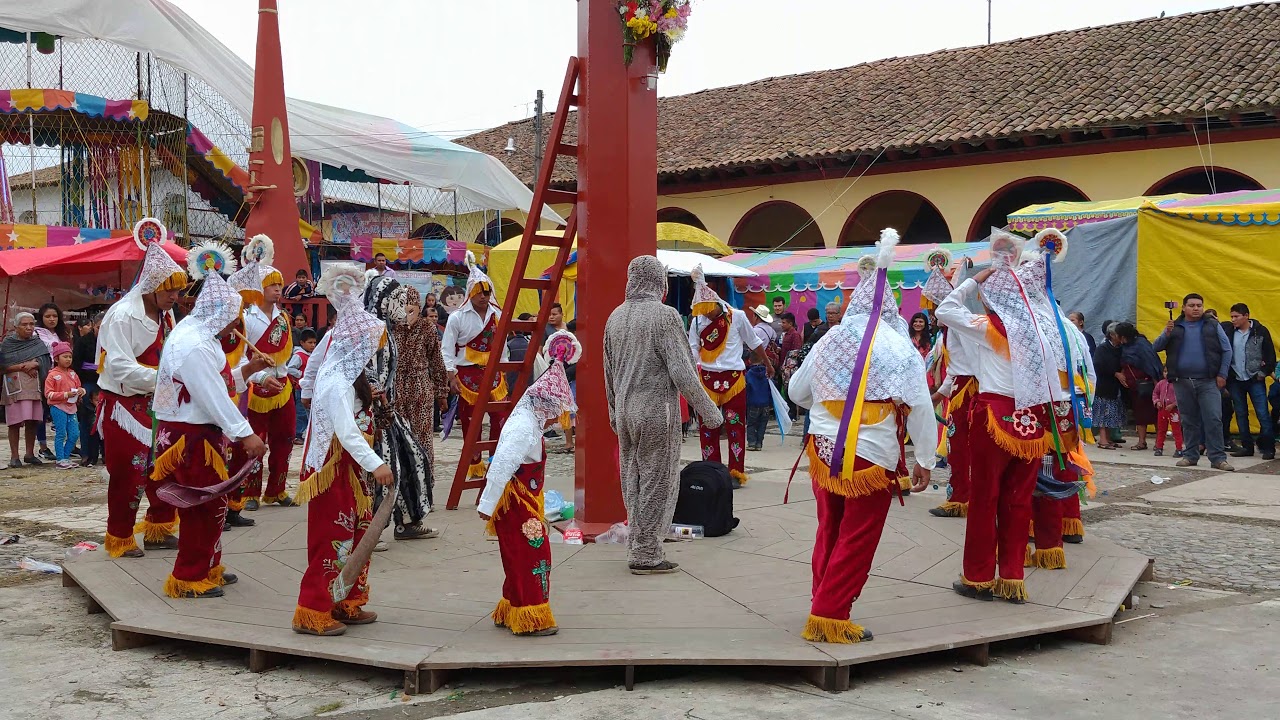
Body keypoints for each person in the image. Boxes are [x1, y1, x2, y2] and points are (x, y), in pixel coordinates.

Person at [788, 229, 935, 643]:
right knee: (858, 534)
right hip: (872, 452)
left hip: (823, 446)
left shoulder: (830, 338)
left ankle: (821, 600)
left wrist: (826, 399)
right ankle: (830, 613)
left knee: (829, 527)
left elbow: (797, 391)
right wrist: (925, 458)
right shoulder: (901, 347)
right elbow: (920, 406)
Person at [936, 232, 1074, 604]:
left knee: (985, 498)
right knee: (1018, 500)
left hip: (993, 417)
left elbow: (944, 310)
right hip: (1033, 421)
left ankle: (978, 577)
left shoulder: (988, 327)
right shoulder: (1044, 332)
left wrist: (974, 279)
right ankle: (1013, 578)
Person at [150, 272, 267, 598]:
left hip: (198, 433)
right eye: (233, 317)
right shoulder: (194, 344)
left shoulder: (201, 334)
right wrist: (245, 434)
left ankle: (208, 566)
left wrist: (248, 370)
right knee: (201, 507)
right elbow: (213, 396)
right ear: (218, 313)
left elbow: (218, 383)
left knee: (213, 504)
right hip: (191, 437)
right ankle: (189, 577)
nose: (236, 325)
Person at [605, 256, 722, 575]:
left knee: (632, 479)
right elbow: (683, 371)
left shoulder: (615, 317)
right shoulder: (665, 316)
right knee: (658, 481)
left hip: (626, 411)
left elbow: (609, 373)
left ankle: (638, 543)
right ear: (660, 281)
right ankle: (646, 552)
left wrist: (614, 412)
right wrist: (710, 412)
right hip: (656, 411)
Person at [291, 299, 393, 636]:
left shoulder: (351, 376)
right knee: (331, 538)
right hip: (332, 469)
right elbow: (346, 431)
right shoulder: (335, 381)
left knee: (358, 534)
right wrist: (376, 464)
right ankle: (312, 609)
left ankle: (346, 601)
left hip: (352, 468)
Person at [478, 331, 580, 637]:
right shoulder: (523, 427)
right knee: (534, 555)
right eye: (556, 414)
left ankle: (512, 605)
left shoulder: (528, 420)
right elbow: (501, 465)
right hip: (517, 503)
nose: (556, 420)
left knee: (516, 554)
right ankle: (530, 615)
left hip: (522, 500)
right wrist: (487, 504)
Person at [97, 242, 188, 558]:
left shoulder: (167, 314)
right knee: (129, 474)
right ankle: (120, 537)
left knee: (166, 467)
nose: (174, 296)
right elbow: (118, 367)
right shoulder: (122, 316)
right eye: (169, 290)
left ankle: (159, 530)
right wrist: (166, 378)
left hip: (161, 404)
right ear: (150, 286)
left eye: (177, 290)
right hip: (126, 406)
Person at [365, 273, 437, 540]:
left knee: (412, 458)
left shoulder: (386, 329)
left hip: (389, 411)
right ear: (384, 301)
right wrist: (373, 393)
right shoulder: (368, 331)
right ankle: (368, 532)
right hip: (370, 415)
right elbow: (362, 369)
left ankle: (407, 522)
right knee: (381, 471)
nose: (402, 306)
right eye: (397, 300)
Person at [228, 236, 297, 509]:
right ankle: (250, 492)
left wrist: (283, 374)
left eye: (279, 284)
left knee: (286, 438)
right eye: (271, 284)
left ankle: (277, 489)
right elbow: (241, 358)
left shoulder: (284, 318)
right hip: (256, 387)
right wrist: (260, 376)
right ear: (259, 288)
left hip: (282, 385)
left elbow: (286, 355)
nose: (277, 289)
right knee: (255, 440)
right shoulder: (246, 318)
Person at [687, 265, 772, 487]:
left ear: (717, 304)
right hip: (706, 379)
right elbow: (693, 347)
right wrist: (691, 370)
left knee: (736, 426)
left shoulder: (738, 317)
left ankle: (735, 473)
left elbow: (754, 342)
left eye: (709, 310)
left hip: (734, 379)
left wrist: (768, 363)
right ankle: (712, 472)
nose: (706, 314)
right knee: (708, 428)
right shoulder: (697, 321)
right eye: (702, 311)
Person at [443, 253, 511, 480]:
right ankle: (475, 465)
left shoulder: (498, 314)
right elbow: (447, 349)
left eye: (487, 292)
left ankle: (496, 463)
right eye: (479, 292)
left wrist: (504, 369)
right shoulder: (457, 318)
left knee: (500, 418)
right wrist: (451, 376)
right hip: (467, 374)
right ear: (470, 292)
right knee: (471, 423)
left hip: (494, 374)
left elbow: (502, 346)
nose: (483, 296)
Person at [1153, 293, 1235, 471]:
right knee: (1188, 420)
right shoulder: (1175, 326)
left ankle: (1218, 458)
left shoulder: (1212, 325)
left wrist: (1222, 374)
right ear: (1183, 308)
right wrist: (1167, 333)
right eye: (1192, 305)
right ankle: (1190, 455)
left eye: (1199, 305)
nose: (1196, 308)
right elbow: (1156, 347)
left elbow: (1227, 350)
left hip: (1208, 381)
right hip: (1181, 381)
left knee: (1213, 419)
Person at [921, 261, 977, 518]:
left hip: (968, 390)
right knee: (959, 445)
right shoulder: (950, 329)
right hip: (961, 388)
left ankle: (961, 499)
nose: (931, 313)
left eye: (933, 306)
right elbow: (956, 367)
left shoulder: (958, 326)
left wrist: (942, 393)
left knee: (962, 446)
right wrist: (939, 395)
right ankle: (961, 497)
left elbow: (966, 366)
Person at [392, 287, 450, 465]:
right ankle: (402, 477)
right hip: (395, 388)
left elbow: (436, 361)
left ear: (419, 306)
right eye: (403, 305)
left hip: (420, 388)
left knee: (422, 437)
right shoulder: (390, 328)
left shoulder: (427, 328)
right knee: (397, 436)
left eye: (412, 306)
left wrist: (441, 392)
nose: (408, 310)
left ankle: (424, 476)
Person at [1223, 303, 1276, 460]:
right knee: (1240, 413)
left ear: (1246, 316)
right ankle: (1247, 446)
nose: (1233, 319)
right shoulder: (1229, 332)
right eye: (1231, 316)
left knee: (1262, 413)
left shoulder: (1260, 331)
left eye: (1236, 316)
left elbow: (1270, 355)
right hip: (1235, 379)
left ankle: (1268, 447)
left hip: (1254, 379)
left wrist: (1262, 373)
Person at [3, 312, 51, 467]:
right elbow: (3, 365)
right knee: (14, 422)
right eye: (24, 324)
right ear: (16, 327)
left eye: (31, 324)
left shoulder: (37, 343)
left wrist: (35, 364)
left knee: (33, 420)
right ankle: (14, 456)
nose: (29, 327)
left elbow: (46, 360)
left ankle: (29, 454)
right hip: (14, 386)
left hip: (34, 386)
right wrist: (23, 366)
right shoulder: (7, 344)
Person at [1115, 322, 1163, 451]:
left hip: (1147, 385)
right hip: (1134, 387)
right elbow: (1125, 364)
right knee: (1139, 415)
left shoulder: (1142, 345)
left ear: (1123, 336)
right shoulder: (1125, 347)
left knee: (1155, 414)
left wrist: (1158, 386)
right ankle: (1142, 442)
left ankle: (1159, 443)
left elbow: (1152, 364)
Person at [35, 303, 70, 460]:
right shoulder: (36, 333)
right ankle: (43, 447)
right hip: (44, 375)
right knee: (42, 412)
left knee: (66, 409)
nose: (51, 319)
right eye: (47, 316)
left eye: (54, 316)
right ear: (41, 318)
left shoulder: (62, 334)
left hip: (63, 376)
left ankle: (68, 445)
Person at [44, 341, 83, 469]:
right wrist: (66, 395)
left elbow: (79, 387)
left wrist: (81, 391)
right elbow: (48, 394)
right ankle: (60, 459)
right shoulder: (52, 375)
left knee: (74, 434)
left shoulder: (73, 374)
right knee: (61, 433)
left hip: (72, 408)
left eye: (70, 357)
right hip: (58, 407)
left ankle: (66, 457)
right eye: (65, 356)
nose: (68, 359)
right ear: (56, 359)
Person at [72, 311, 103, 467]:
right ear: (93, 326)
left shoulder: (115, 341)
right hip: (88, 383)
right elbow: (77, 364)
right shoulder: (83, 342)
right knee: (87, 419)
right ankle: (87, 454)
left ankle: (107, 453)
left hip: (107, 383)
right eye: (99, 327)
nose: (102, 331)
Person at [1092, 325, 1127, 449]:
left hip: (1115, 387)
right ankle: (1102, 440)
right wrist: (1115, 373)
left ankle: (1108, 438)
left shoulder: (1120, 348)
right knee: (1103, 413)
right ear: (1111, 335)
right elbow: (1098, 365)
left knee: (1112, 413)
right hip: (1104, 386)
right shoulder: (1103, 348)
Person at [289, 329, 318, 444]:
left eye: (314, 343)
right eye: (310, 342)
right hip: (300, 389)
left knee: (308, 413)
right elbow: (290, 368)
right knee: (301, 413)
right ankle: (296, 434)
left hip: (310, 389)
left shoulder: (313, 355)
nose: (313, 345)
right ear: (302, 343)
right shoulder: (299, 355)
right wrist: (301, 374)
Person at [1152, 376, 1183, 457]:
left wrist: (1173, 405)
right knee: (1161, 429)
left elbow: (1182, 396)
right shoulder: (1161, 383)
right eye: (1165, 371)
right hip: (1162, 409)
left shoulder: (1178, 383)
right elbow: (1155, 393)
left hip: (1174, 411)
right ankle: (1159, 447)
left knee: (1176, 430)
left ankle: (1179, 449)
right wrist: (1157, 402)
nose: (1167, 374)